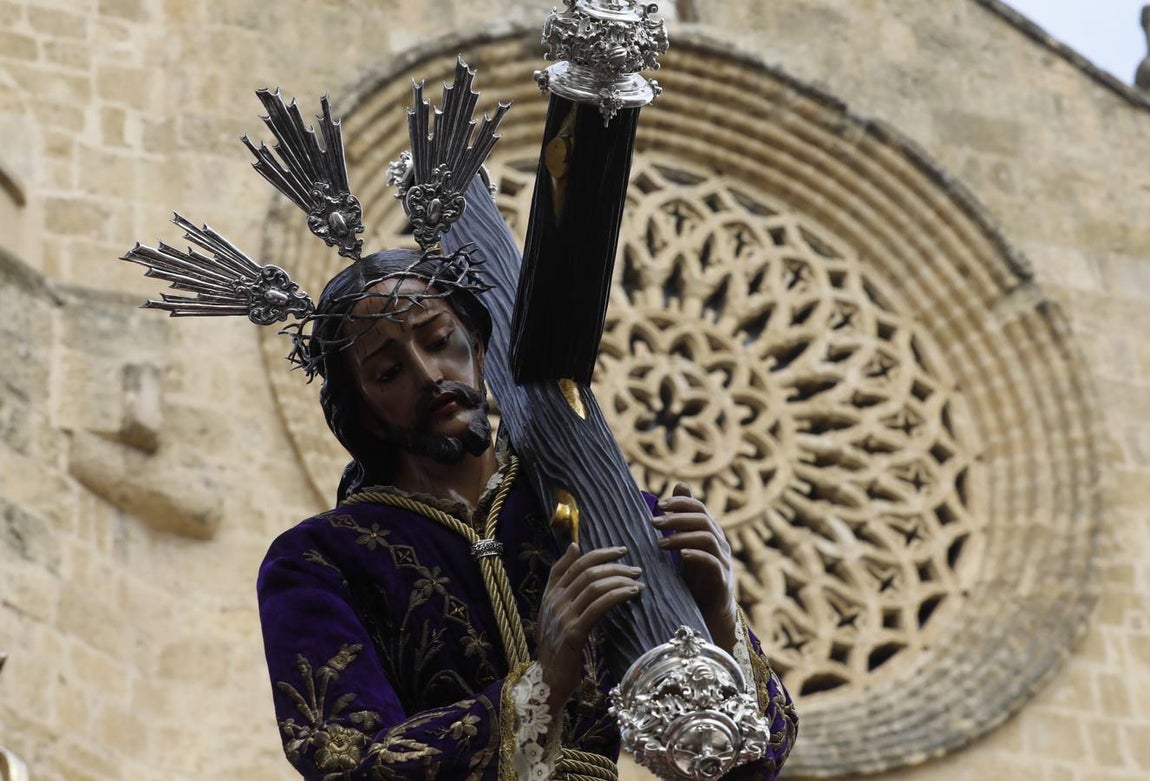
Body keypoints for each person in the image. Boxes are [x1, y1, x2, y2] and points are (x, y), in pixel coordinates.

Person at [257, 240, 797, 779]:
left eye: (440, 340)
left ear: (481, 348)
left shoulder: (605, 511)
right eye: (388, 373)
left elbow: (744, 762)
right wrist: (543, 685)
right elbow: (346, 763)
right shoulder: (318, 560)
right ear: (366, 415)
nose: (428, 374)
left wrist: (717, 616)